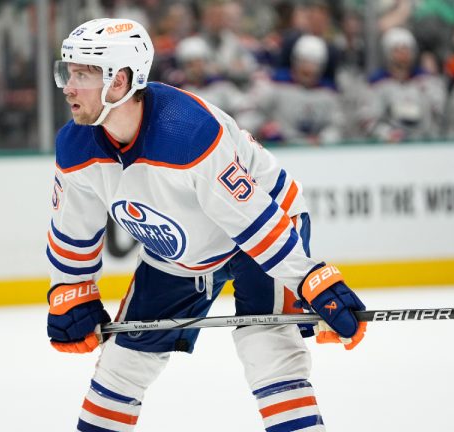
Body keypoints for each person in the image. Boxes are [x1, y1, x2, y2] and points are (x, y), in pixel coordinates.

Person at [47, 18, 367, 432]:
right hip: (181, 250)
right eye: (68, 73)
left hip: (264, 226)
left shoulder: (187, 132)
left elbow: (252, 221)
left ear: (120, 81)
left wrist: (310, 279)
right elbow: (73, 228)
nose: (69, 86)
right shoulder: (75, 144)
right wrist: (72, 289)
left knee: (269, 351)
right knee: (121, 364)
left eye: (83, 74)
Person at [359, 27, 446, 143]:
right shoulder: (377, 85)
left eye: (406, 49)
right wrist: (386, 133)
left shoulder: (427, 82)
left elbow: (440, 113)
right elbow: (368, 119)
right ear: (387, 53)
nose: (402, 55)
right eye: (397, 50)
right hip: (390, 148)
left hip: (423, 145)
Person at [253, 34, 344, 146]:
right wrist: (263, 128)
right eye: (304, 62)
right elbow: (253, 113)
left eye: (314, 64)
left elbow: (337, 126)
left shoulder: (329, 94)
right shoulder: (275, 86)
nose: (308, 69)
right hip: (282, 150)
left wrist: (324, 139)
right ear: (295, 62)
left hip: (319, 153)